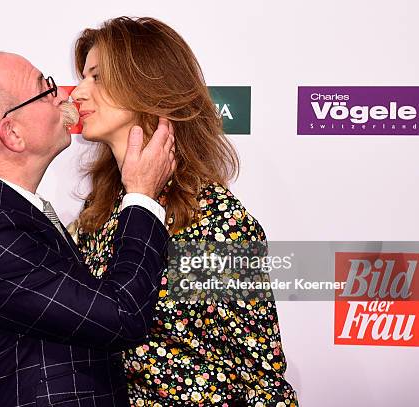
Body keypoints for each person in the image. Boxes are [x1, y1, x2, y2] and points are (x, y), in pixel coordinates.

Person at [0, 51, 176, 407]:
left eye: (97, 78)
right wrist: (143, 195)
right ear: (12, 133)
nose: (67, 95)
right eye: (45, 88)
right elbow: (122, 316)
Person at [70, 17, 299, 406]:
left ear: (147, 85)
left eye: (97, 77)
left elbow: (260, 376)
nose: (77, 92)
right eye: (82, 77)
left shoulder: (212, 219)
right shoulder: (101, 208)